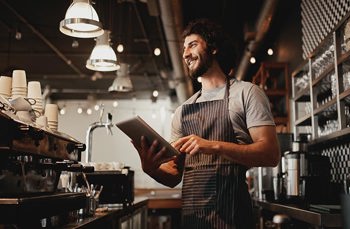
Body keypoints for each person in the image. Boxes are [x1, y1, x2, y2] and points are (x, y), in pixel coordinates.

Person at [132, 18, 280, 229]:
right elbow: (174, 174)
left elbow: (270, 154)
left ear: (214, 48)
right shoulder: (182, 111)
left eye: (192, 44)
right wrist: (151, 168)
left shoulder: (246, 93)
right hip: (194, 220)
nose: (185, 54)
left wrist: (213, 146)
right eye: (184, 48)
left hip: (234, 217)